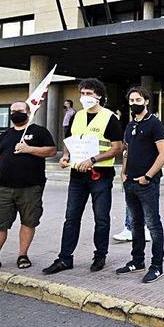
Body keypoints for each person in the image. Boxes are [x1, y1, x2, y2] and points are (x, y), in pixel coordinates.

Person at [43, 78, 124, 275]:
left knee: (101, 218)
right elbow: (69, 141)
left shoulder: (109, 117)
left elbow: (118, 148)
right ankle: (64, 258)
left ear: (99, 96)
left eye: (89, 94)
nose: (85, 98)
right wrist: (65, 156)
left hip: (101, 175)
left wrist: (94, 159)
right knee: (71, 218)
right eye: (82, 94)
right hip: (77, 175)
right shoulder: (76, 116)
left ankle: (100, 256)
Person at [0, 102, 56, 276]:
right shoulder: (5, 135)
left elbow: (51, 151)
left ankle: (22, 255)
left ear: (28, 113)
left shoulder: (39, 131)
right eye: (12, 111)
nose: (15, 113)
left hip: (30, 187)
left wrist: (29, 149)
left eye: (19, 111)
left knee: (28, 221)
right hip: (3, 189)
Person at [115, 86, 164, 284]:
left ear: (146, 101)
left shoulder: (155, 124)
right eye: (131, 100)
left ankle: (157, 266)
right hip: (130, 182)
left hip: (147, 183)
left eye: (138, 100)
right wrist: (123, 171)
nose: (134, 104)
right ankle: (137, 261)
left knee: (153, 224)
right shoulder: (130, 125)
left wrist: (148, 176)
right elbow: (126, 150)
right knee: (135, 224)